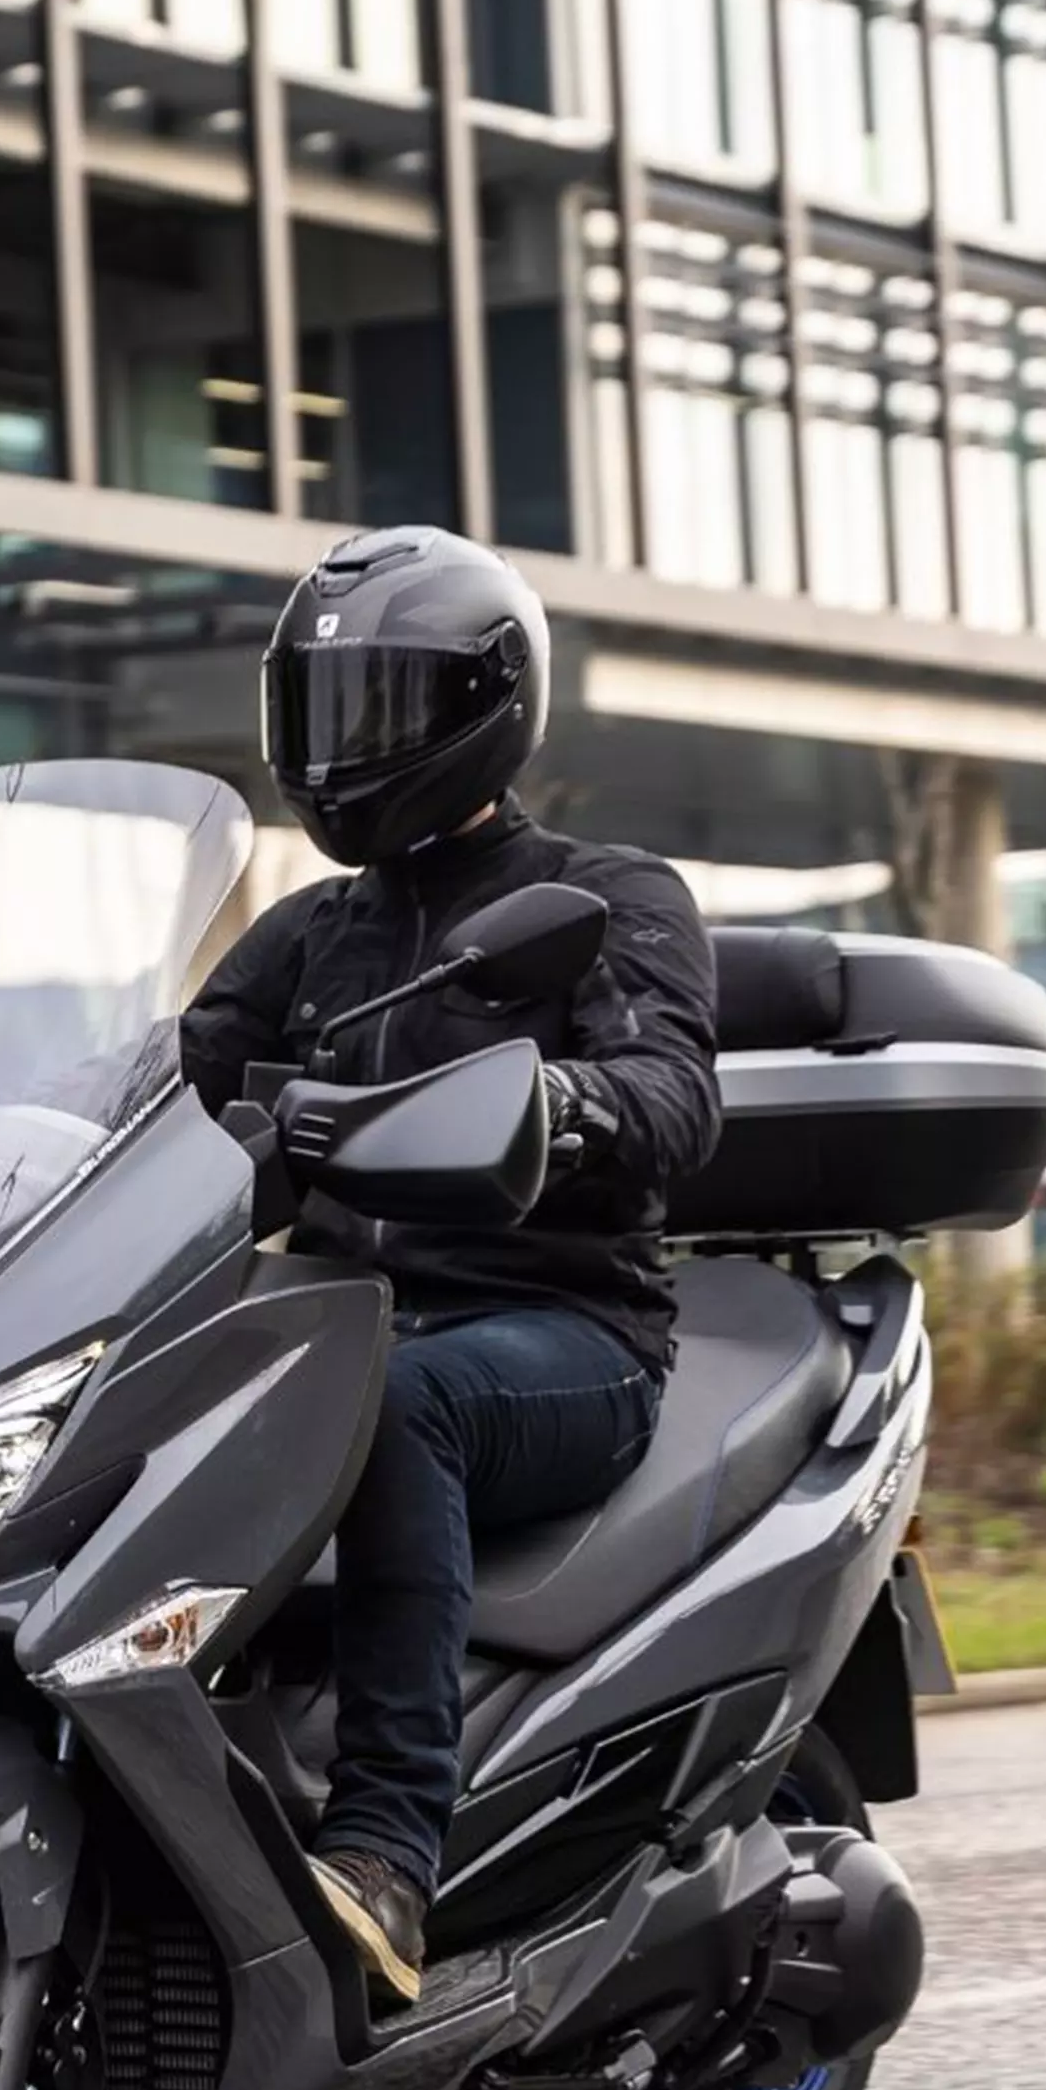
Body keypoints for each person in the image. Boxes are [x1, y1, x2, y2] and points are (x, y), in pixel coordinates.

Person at [180, 527, 721, 2007]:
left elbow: (676, 1098)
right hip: (338, 1318)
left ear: (481, 708)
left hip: (565, 1334)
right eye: (322, 708)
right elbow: (168, 1087)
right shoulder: (306, 937)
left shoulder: (604, 898)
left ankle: (386, 1854)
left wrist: (566, 1103)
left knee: (396, 1403)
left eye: (382, 709)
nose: (343, 749)